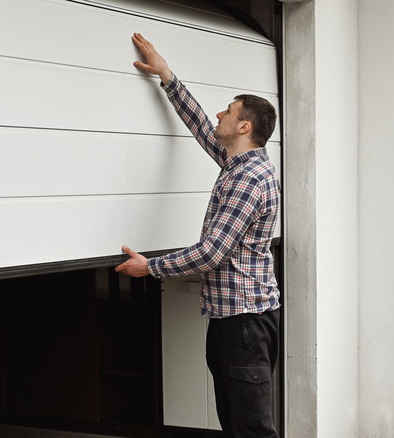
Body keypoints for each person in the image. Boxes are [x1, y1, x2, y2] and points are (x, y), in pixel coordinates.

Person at [115, 33, 281, 438]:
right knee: (236, 423)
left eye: (228, 111)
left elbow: (211, 254)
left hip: (245, 324)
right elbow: (201, 127)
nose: (219, 116)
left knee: (253, 428)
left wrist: (149, 267)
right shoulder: (236, 164)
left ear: (244, 126)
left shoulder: (248, 179)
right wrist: (167, 76)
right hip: (232, 319)